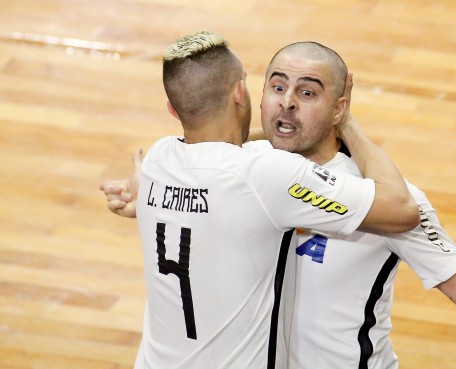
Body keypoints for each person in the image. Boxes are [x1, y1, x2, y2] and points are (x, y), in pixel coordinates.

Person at [103, 40, 456, 368]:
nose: (287, 103)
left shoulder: (382, 199)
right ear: (251, 96)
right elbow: (190, 178)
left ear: (339, 106)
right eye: (276, 86)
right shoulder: (238, 168)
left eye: (308, 92)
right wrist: (144, 196)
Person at [102, 31, 420, 369]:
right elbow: (400, 210)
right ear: (241, 93)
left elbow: (207, 162)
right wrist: (344, 120)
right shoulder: (267, 173)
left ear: (173, 109)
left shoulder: (158, 160)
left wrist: (144, 197)